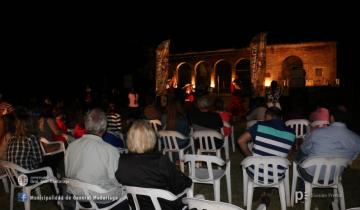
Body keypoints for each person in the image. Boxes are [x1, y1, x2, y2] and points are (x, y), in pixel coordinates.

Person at [115, 120, 192, 210]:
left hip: (137, 206)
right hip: (165, 206)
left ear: (129, 138)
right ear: (151, 138)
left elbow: (119, 183)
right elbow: (182, 184)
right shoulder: (160, 161)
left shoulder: (121, 161)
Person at [65, 108, 128, 210]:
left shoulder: (71, 146)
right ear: (104, 127)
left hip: (77, 194)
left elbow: (67, 173)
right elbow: (116, 181)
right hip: (102, 198)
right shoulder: (109, 150)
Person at [237, 107, 296, 206]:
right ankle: (267, 191)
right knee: (273, 170)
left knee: (254, 165)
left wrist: (250, 156)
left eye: (265, 116)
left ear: (269, 116)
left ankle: (261, 192)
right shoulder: (291, 133)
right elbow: (288, 153)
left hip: (256, 172)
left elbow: (240, 140)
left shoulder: (260, 126)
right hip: (277, 174)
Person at [297, 105, 360, 177]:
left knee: (302, 152)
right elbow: (354, 156)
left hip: (311, 174)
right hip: (335, 175)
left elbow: (304, 149)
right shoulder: (356, 138)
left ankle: (301, 187)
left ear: (332, 118)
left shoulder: (317, 132)